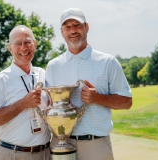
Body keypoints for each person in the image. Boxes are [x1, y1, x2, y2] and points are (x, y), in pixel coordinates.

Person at [45, 8, 132, 160]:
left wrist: (97, 98)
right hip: (60, 144)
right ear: (62, 31)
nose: (73, 30)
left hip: (95, 145)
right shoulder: (53, 66)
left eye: (77, 25)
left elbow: (127, 102)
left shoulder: (108, 62)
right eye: (67, 27)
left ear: (87, 27)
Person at [0, 25, 50, 160]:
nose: (23, 47)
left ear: (34, 44)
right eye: (18, 44)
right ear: (10, 48)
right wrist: (23, 104)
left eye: (27, 42)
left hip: (45, 153)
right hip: (12, 154)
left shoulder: (44, 75)